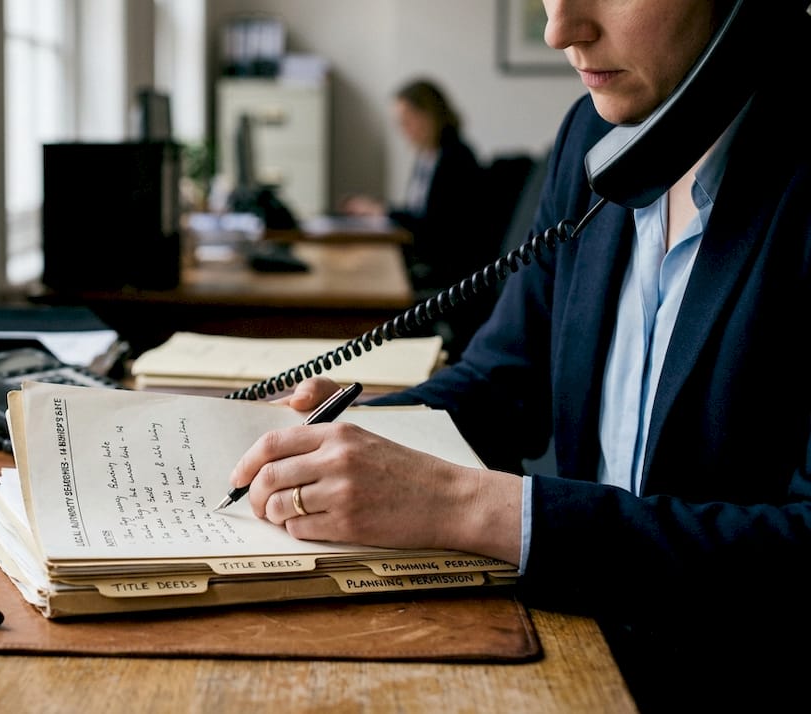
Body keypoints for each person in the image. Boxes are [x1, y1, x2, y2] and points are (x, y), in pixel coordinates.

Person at [229, 1, 811, 709]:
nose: (560, 31)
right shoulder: (591, 135)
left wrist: (475, 508)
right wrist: (364, 434)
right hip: (581, 643)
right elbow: (503, 379)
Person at [340, 78, 485, 293]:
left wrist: (383, 211)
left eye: (407, 120)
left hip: (448, 275)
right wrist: (381, 209)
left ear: (428, 116)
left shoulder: (455, 158)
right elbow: (416, 213)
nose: (403, 129)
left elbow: (434, 229)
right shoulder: (427, 155)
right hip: (425, 263)